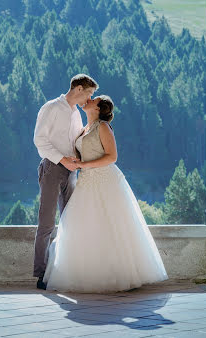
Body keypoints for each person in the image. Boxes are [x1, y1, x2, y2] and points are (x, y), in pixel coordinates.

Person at [43, 95, 169, 293]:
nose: (89, 99)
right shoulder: (84, 128)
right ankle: (88, 273)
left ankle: (118, 274)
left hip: (104, 179)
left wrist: (84, 164)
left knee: (111, 223)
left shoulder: (103, 127)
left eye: (94, 99)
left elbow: (112, 156)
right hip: (86, 181)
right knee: (84, 224)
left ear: (98, 108)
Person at [33, 74, 99, 289]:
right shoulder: (51, 107)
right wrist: (63, 159)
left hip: (71, 171)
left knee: (71, 221)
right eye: (88, 93)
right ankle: (41, 275)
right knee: (46, 223)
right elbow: (39, 141)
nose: (88, 99)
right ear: (78, 89)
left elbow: (74, 141)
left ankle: (68, 270)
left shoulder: (76, 114)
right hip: (52, 169)